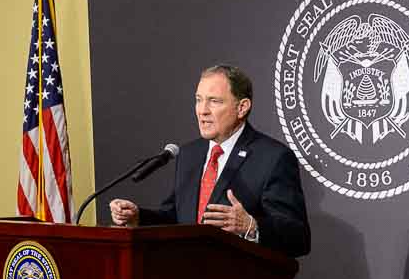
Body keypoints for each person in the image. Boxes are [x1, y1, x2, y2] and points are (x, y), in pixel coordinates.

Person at [108, 63, 311, 257]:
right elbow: (176, 219)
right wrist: (138, 218)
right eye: (198, 99)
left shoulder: (272, 158)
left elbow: (298, 238)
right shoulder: (189, 155)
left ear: (242, 107)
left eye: (214, 101)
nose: (202, 110)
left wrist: (251, 226)